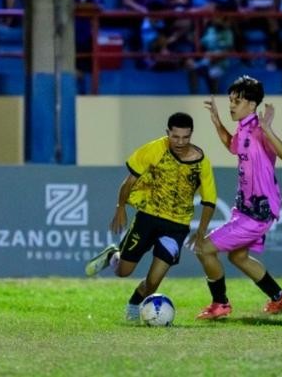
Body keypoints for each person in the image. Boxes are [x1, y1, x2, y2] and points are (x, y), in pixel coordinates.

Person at [85, 113, 217, 321]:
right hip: (147, 217)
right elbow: (129, 181)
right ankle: (113, 256)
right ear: (168, 133)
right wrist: (120, 207)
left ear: (191, 135)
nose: (180, 142)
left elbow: (209, 201)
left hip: (177, 226)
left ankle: (133, 305)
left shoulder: (202, 163)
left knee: (154, 281)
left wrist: (201, 231)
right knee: (123, 271)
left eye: (185, 137)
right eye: (175, 136)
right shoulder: (154, 149)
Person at [194, 77, 282, 320]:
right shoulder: (243, 128)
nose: (231, 105)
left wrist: (268, 128)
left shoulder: (259, 130)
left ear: (251, 104)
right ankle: (280, 297)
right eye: (230, 100)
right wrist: (217, 122)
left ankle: (220, 303)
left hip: (258, 213)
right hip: (246, 209)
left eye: (236, 101)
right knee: (238, 257)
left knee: (204, 248)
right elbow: (232, 145)